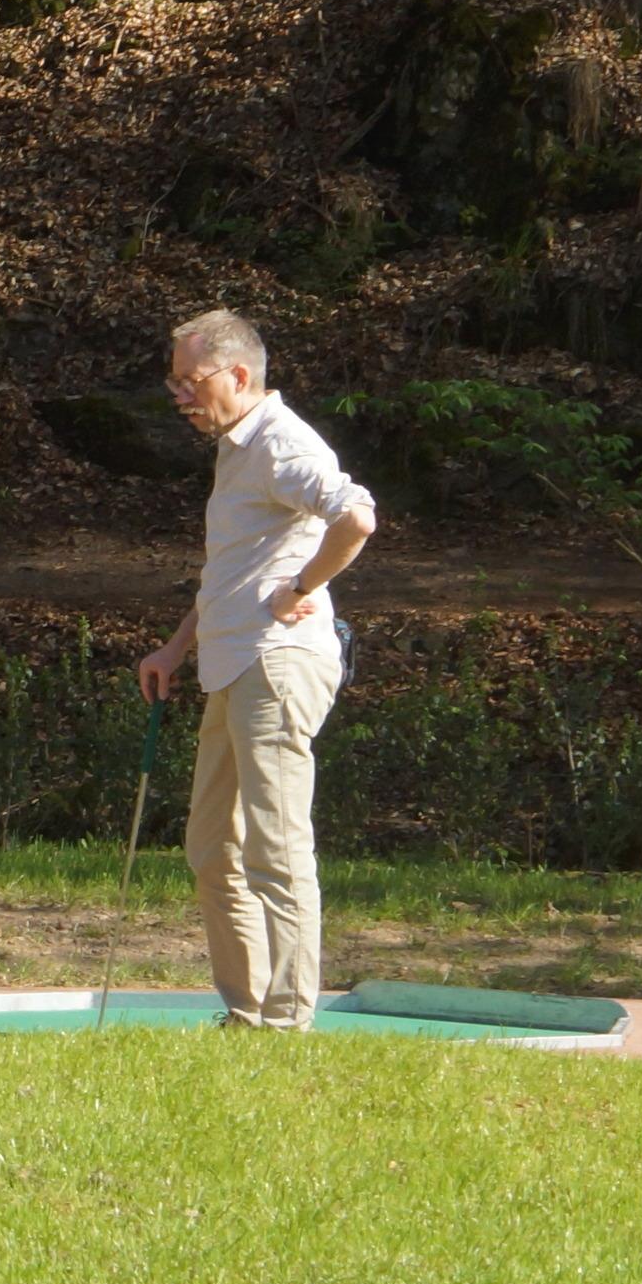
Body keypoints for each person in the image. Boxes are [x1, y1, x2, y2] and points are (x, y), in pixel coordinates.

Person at [134, 308, 379, 1032]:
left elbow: (357, 516)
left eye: (191, 380)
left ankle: (286, 1022)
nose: (180, 395)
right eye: (174, 382)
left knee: (275, 847)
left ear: (238, 375)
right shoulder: (237, 447)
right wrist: (175, 648)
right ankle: (247, 1012)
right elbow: (232, 574)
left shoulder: (280, 442)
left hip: (276, 664)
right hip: (232, 662)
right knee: (212, 847)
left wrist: (303, 587)